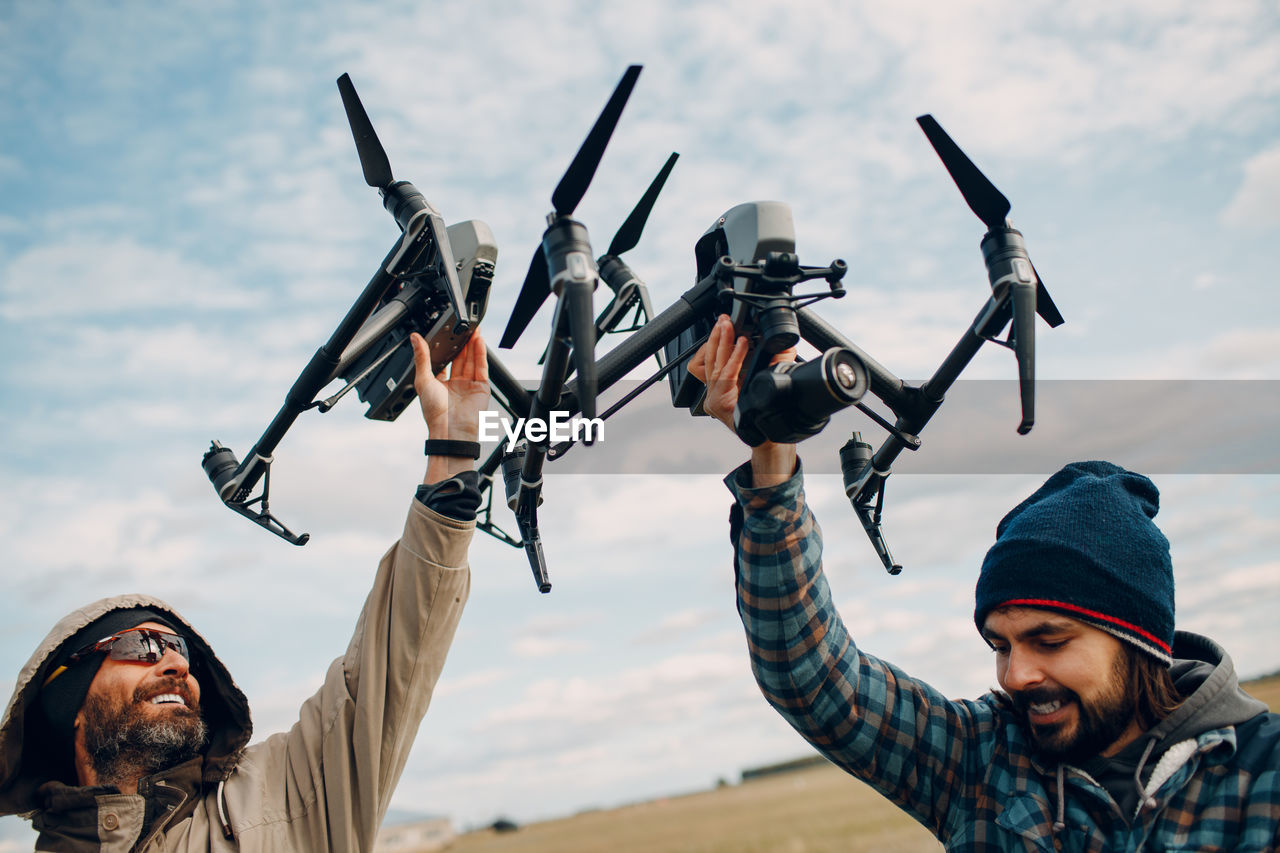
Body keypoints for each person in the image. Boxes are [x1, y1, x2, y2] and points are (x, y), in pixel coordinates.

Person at [690, 314, 1280, 850]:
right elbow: (808, 674)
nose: (1016, 675)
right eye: (1000, 645)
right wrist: (772, 456)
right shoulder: (979, 758)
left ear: (1140, 638)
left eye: (1049, 641)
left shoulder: (1263, 769)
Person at [0, 330, 490, 851]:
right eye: (139, 646)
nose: (174, 664)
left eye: (178, 649)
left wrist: (451, 453)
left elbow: (392, 664)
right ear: (65, 702)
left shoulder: (287, 791)